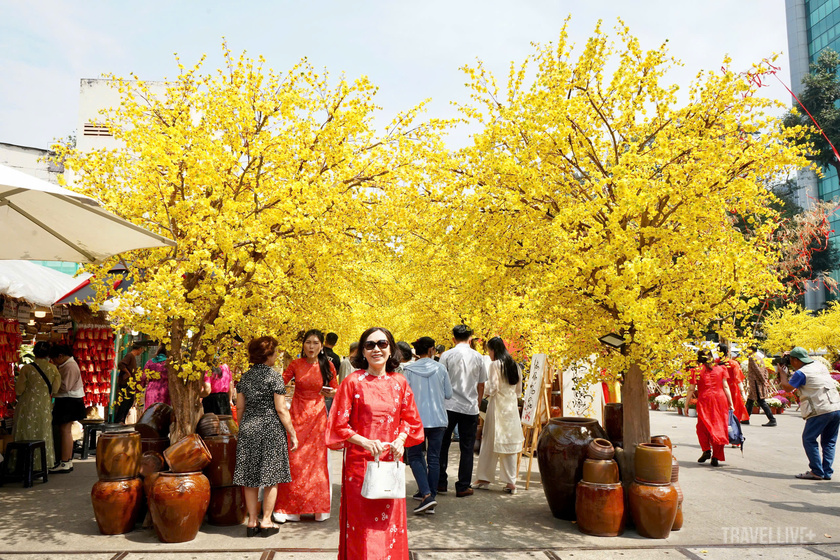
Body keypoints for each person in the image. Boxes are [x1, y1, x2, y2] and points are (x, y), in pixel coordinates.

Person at [326, 327, 424, 560]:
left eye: (382, 344)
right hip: (359, 466)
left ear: (391, 350)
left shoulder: (400, 382)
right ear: (363, 351)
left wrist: (401, 439)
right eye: (370, 345)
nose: (376, 349)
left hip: (389, 464)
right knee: (362, 529)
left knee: (389, 526)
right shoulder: (352, 382)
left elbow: (410, 420)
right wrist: (365, 442)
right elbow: (338, 426)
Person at [233, 336, 298, 537]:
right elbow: (281, 409)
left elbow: (240, 406)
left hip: (249, 429)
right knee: (271, 478)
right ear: (268, 355)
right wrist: (293, 433)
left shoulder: (245, 377)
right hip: (271, 430)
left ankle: (252, 522)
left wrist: (243, 426)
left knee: (250, 477)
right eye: (275, 352)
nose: (277, 355)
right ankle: (266, 521)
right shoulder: (274, 377)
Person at [273, 329, 337, 523]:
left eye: (316, 343)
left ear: (321, 345)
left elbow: (337, 389)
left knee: (317, 462)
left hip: (318, 417)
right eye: (308, 342)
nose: (311, 347)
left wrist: (331, 393)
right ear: (303, 344)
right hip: (297, 416)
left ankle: (318, 507)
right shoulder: (296, 364)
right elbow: (280, 383)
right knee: (294, 460)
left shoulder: (328, 365)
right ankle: (289, 509)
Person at [402, 336, 452, 514]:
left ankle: (426, 494)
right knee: (434, 458)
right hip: (438, 419)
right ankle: (430, 496)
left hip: (416, 420)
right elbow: (448, 394)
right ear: (431, 350)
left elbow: (404, 397)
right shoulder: (441, 369)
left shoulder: (408, 370)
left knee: (415, 456)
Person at [438, 324, 487, 496]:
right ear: (471, 338)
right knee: (467, 448)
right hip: (469, 407)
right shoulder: (478, 356)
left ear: (453, 339)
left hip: (448, 405)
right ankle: (463, 486)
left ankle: (440, 483)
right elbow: (481, 384)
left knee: (442, 444)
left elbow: (441, 381)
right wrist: (478, 403)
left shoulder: (446, 355)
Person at [780, 347, 840, 480]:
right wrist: (794, 355)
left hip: (820, 409)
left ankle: (816, 471)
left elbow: (788, 388)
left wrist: (782, 373)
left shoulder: (801, 373)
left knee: (809, 438)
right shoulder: (819, 365)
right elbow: (807, 359)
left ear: (796, 360)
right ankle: (827, 472)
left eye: (791, 360)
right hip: (836, 407)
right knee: (829, 441)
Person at [474, 337, 524, 493]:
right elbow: (518, 391)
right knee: (508, 444)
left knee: (489, 441)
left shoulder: (495, 365)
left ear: (493, 350)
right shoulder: (515, 366)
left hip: (497, 406)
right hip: (511, 408)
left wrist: (483, 393)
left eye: (489, 350)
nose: (488, 353)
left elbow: (493, 388)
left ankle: (484, 477)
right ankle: (511, 482)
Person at [12, 341, 61, 471]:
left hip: (26, 406)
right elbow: (55, 389)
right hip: (44, 406)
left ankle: (21, 464)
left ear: (34, 352)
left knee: (25, 432)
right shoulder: (53, 369)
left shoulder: (27, 368)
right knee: (42, 432)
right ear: (48, 354)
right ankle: (41, 464)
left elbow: (19, 390)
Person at [684, 349, 734, 467]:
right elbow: (725, 387)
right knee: (719, 426)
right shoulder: (721, 369)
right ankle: (716, 456)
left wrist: (686, 404)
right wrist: (730, 402)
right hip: (720, 399)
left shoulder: (695, 371)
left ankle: (706, 449)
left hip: (705, 400)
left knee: (702, 426)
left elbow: (691, 389)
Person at [49, 344, 86, 474]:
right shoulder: (67, 365)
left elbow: (65, 386)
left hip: (68, 400)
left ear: (61, 356)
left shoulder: (70, 366)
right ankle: (67, 460)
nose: (53, 362)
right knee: (66, 430)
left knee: (65, 430)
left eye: (54, 359)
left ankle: (65, 461)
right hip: (69, 400)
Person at [745, 345, 776, 427]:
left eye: (748, 349)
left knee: (761, 401)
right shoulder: (759, 357)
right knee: (750, 401)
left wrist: (763, 380)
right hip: (757, 382)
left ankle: (772, 419)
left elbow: (757, 370)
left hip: (756, 383)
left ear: (751, 350)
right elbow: (765, 370)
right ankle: (746, 418)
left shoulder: (752, 358)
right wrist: (765, 378)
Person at [717, 345, 749, 423]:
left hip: (718, 389)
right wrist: (743, 393)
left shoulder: (714, 364)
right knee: (733, 411)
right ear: (728, 352)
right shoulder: (733, 363)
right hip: (732, 390)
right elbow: (738, 379)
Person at [115, 344, 143, 423]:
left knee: (129, 402)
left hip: (130, 383)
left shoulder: (132, 357)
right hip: (126, 383)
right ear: (139, 349)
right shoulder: (129, 356)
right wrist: (128, 373)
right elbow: (121, 364)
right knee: (125, 402)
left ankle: (122, 420)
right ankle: (119, 420)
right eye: (141, 350)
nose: (141, 352)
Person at [141, 344, 170, 409]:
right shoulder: (169, 363)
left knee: (150, 411)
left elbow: (143, 377)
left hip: (151, 389)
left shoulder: (150, 362)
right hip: (165, 390)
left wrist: (140, 388)